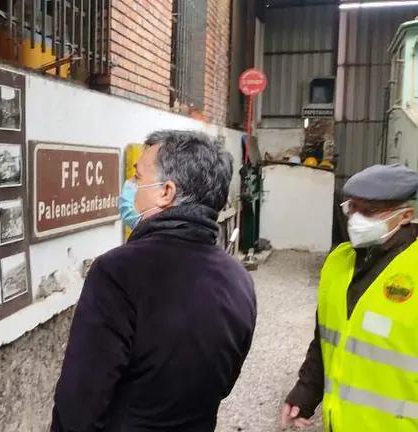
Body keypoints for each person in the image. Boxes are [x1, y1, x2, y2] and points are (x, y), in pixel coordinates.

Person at [50, 130, 257, 431]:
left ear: (166, 192)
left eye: (137, 176)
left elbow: (81, 400)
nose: (130, 187)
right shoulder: (239, 279)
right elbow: (224, 382)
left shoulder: (118, 272)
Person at [281, 163, 418, 431]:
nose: (356, 219)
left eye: (369, 211)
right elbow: (326, 338)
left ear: (405, 215)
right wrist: (306, 391)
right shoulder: (338, 262)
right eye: (352, 208)